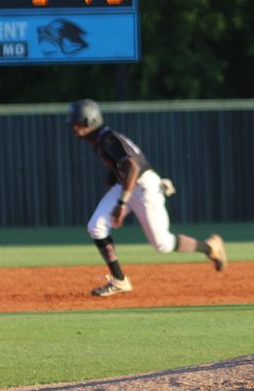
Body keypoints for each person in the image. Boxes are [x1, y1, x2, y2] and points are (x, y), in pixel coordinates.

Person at [67, 99, 227, 296]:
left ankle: (210, 247)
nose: (73, 127)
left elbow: (132, 166)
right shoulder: (99, 140)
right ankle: (120, 280)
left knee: (163, 244)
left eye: (76, 122)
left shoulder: (107, 138)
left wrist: (121, 203)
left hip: (144, 187)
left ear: (89, 121)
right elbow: (116, 166)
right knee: (96, 227)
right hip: (125, 185)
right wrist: (111, 192)